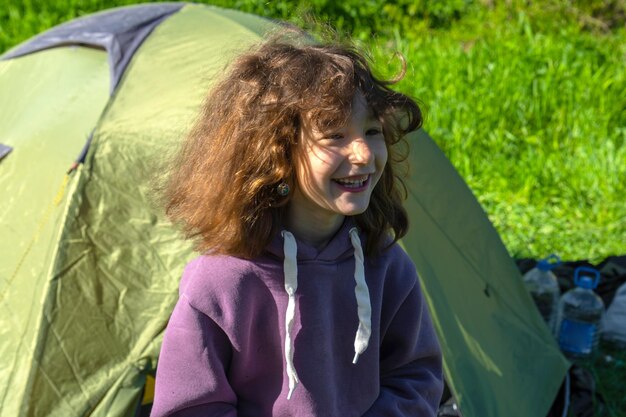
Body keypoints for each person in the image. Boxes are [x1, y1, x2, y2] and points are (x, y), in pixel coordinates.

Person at [151, 34, 443, 417]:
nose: (364, 154)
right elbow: (188, 408)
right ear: (275, 152)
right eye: (335, 135)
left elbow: (415, 378)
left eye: (372, 131)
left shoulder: (386, 265)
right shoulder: (221, 282)